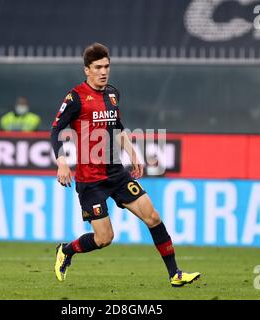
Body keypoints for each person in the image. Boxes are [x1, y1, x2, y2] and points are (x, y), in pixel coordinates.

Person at [50, 42, 200, 287]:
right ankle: (67, 250)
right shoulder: (75, 97)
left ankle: (175, 273)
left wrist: (133, 154)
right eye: (98, 67)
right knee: (104, 238)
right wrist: (62, 162)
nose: (103, 71)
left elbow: (117, 128)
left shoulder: (112, 94)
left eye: (107, 66)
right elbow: (55, 130)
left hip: (117, 174)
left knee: (152, 216)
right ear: (86, 69)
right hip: (91, 181)